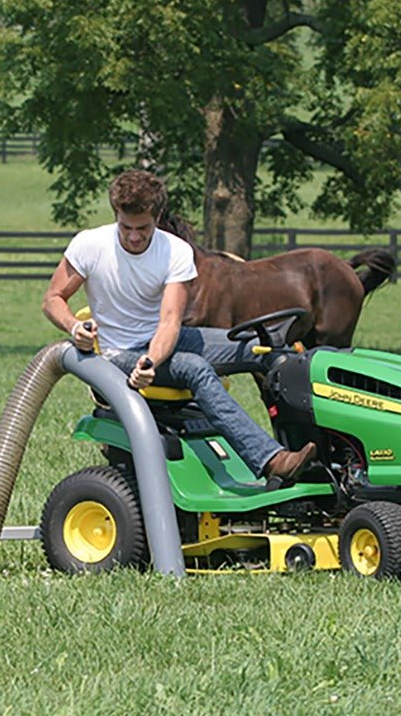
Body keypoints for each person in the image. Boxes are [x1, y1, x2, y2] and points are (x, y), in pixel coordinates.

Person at [41, 169, 316, 482]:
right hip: (118, 353)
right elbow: (52, 299)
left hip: (161, 343)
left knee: (270, 350)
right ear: (116, 214)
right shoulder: (90, 245)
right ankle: (272, 460)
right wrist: (74, 326)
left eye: (143, 228)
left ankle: (316, 454)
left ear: (157, 217)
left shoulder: (174, 251)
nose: (133, 236)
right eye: (126, 227)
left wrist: (152, 359)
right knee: (194, 368)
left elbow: (170, 322)